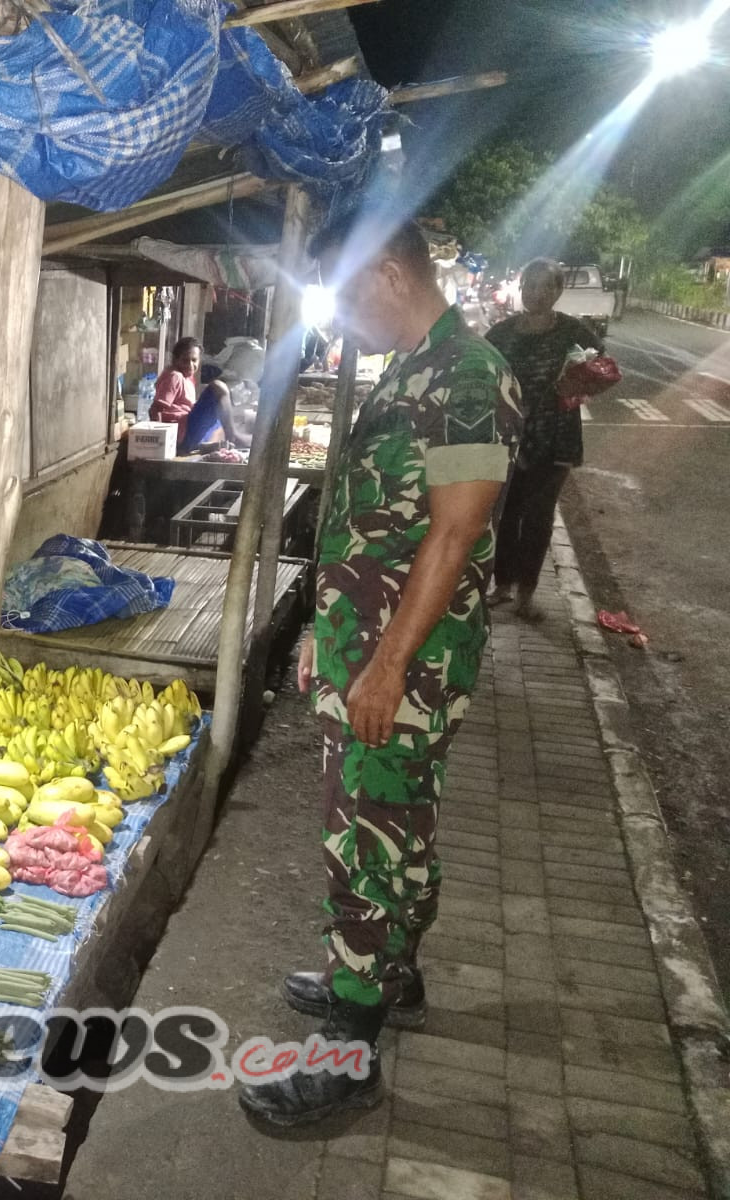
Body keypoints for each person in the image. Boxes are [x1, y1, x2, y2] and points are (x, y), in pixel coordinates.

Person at [238, 215, 522, 1125]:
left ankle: (349, 1054)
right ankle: (388, 979)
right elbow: (369, 525)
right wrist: (325, 633)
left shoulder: (470, 377)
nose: (340, 316)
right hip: (365, 647)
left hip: (405, 666)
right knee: (400, 823)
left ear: (392, 274)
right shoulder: (412, 368)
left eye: (346, 293)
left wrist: (388, 665)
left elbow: (455, 532)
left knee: (366, 838)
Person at [484, 259, 603, 619]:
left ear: (558, 291)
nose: (536, 293)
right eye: (530, 285)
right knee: (505, 514)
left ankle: (527, 593)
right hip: (509, 438)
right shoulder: (501, 333)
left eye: (545, 286)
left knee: (538, 517)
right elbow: (481, 372)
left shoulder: (573, 332)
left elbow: (602, 370)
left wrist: (578, 385)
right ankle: (503, 585)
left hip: (556, 439)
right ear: (520, 288)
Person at [148, 337, 249, 452]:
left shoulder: (187, 377)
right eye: (185, 360)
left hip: (187, 433)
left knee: (221, 410)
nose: (190, 365)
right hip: (181, 435)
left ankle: (209, 443)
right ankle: (232, 436)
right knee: (217, 387)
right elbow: (155, 409)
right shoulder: (174, 376)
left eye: (194, 360)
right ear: (175, 360)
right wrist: (160, 442)